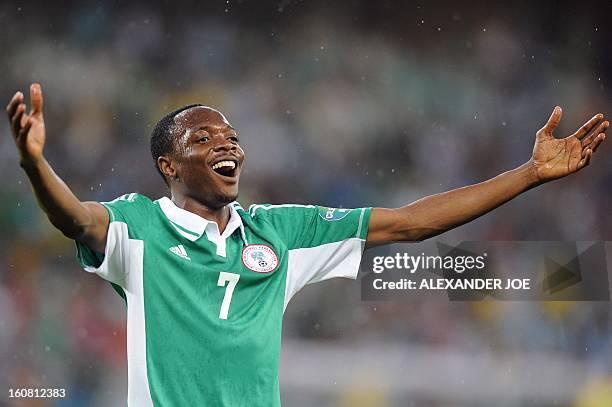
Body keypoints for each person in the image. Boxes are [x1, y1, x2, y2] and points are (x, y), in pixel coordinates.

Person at [5, 83, 607, 406]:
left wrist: (527, 175)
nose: (228, 144)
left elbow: (409, 224)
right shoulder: (139, 227)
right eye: (205, 136)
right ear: (168, 163)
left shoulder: (282, 232)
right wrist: (35, 165)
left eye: (232, 135)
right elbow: (77, 220)